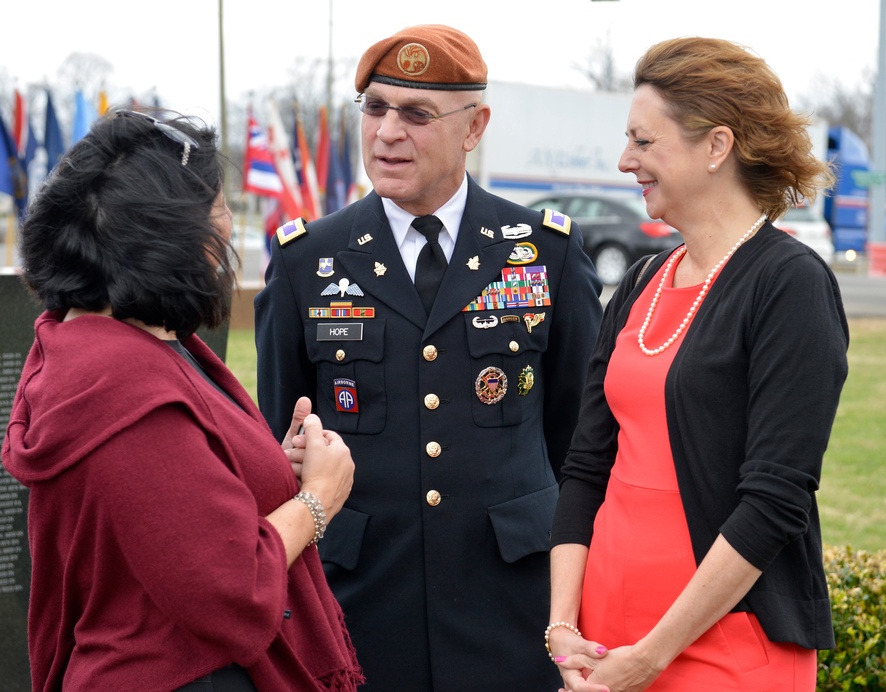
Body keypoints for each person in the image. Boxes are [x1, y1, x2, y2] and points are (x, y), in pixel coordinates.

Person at [254, 24, 603, 691]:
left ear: (475, 127)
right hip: (361, 604)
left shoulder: (544, 252)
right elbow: (279, 440)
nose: (387, 132)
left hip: (510, 605)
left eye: (416, 115)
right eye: (376, 108)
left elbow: (581, 442)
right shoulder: (307, 261)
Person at [2, 110, 364, 691]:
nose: (226, 224)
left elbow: (169, 510)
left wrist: (263, 467)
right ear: (173, 234)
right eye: (218, 206)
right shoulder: (121, 383)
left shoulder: (112, 342)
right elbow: (232, 590)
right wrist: (319, 499)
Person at [546, 37, 849, 691]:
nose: (626, 161)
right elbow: (585, 467)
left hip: (726, 653)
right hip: (603, 648)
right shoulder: (642, 281)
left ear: (717, 147)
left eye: (644, 142)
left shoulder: (788, 284)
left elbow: (774, 501)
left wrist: (650, 656)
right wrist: (563, 629)